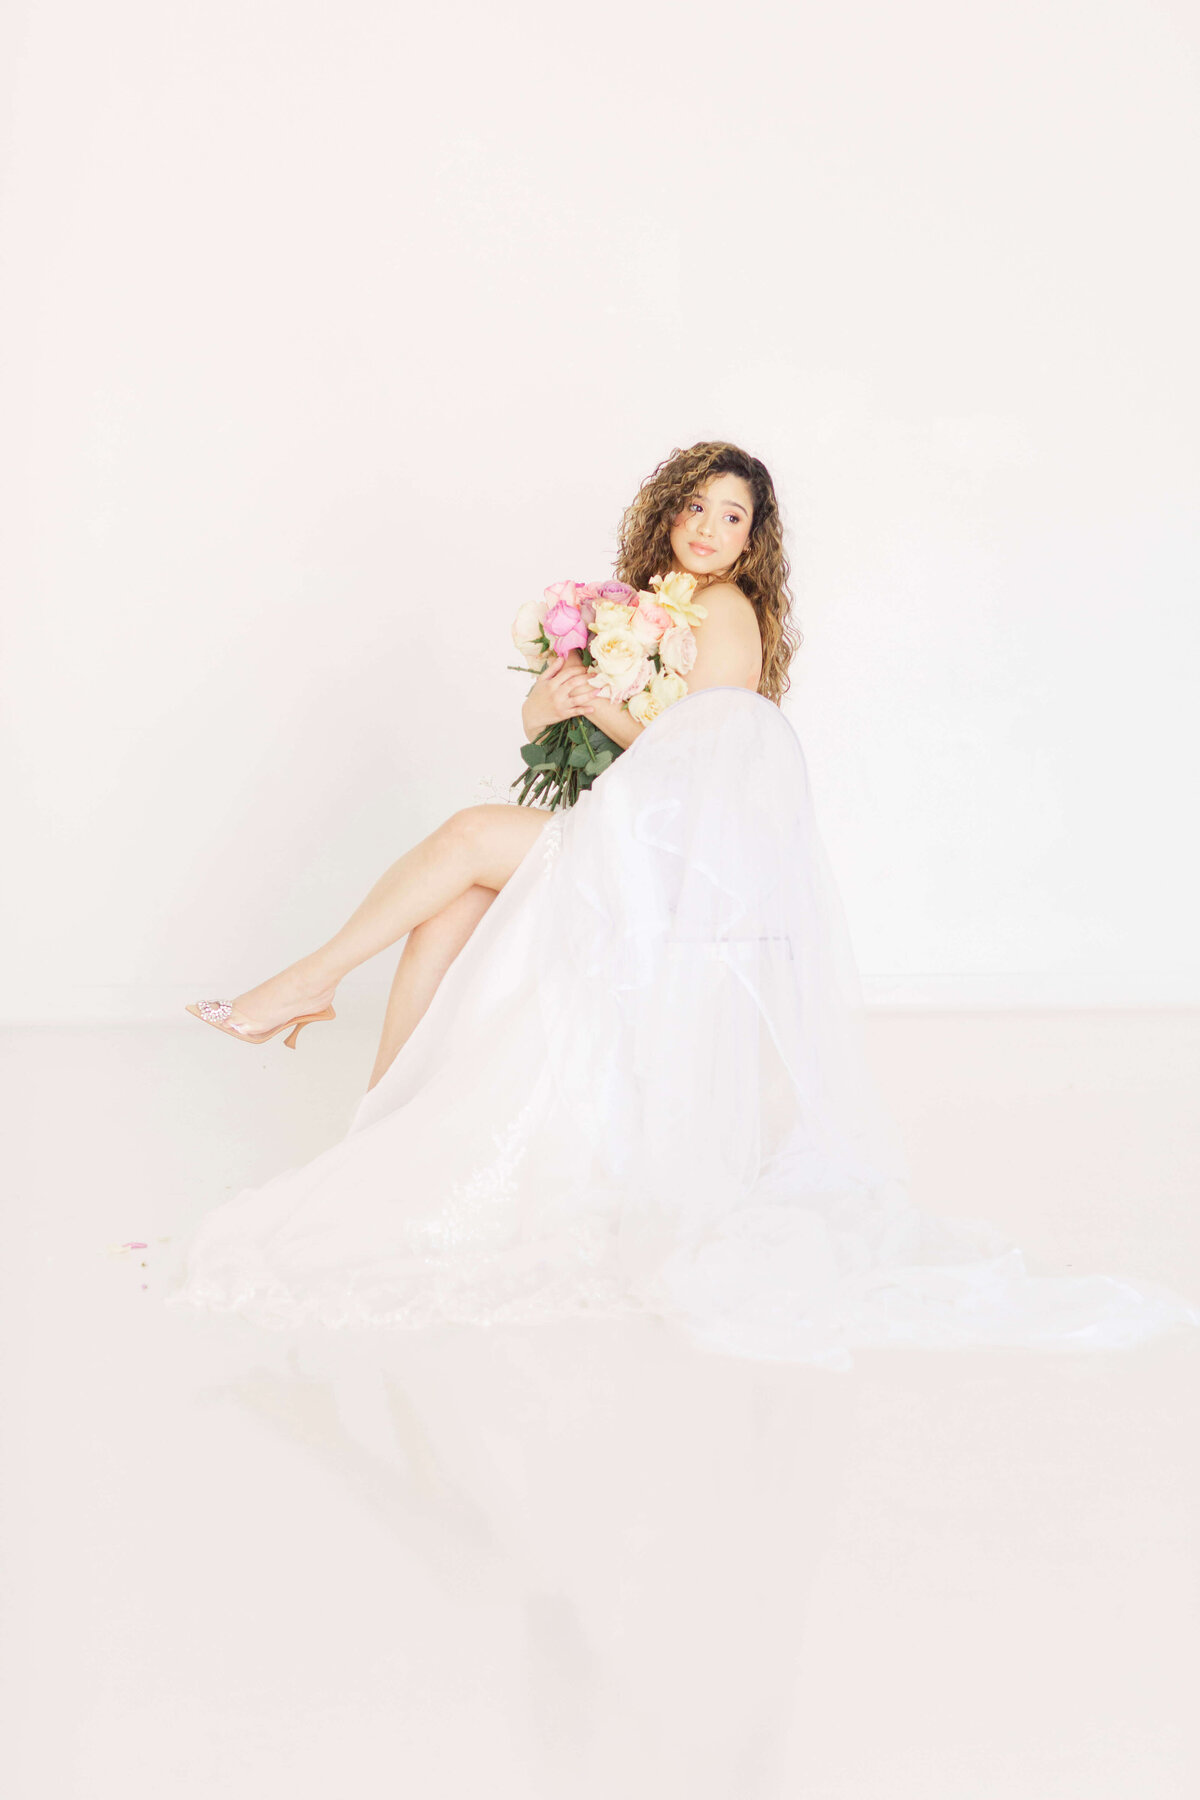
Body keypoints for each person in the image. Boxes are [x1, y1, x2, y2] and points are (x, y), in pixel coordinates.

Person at [167, 442, 1200, 1370]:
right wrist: (559, 694)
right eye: (696, 508)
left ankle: (309, 982)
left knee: (469, 839)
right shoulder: (648, 605)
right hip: (630, 838)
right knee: (448, 907)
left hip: (681, 870)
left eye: (733, 516)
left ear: (757, 541)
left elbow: (698, 767)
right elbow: (548, 725)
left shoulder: (727, 615)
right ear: (668, 514)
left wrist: (602, 700)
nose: (710, 528)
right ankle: (379, 1137)